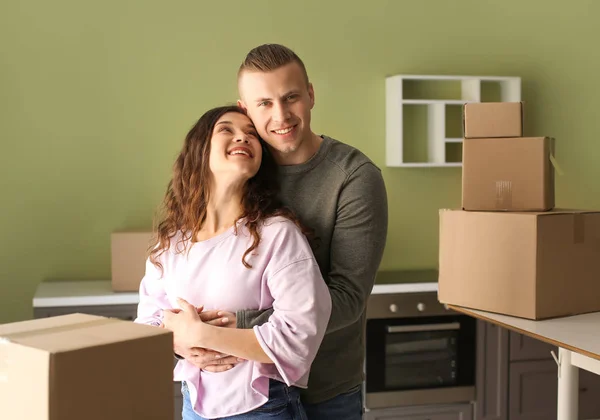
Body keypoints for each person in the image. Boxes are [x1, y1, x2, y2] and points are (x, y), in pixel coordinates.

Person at [186, 44, 389, 419]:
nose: (280, 115)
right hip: (245, 390)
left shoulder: (355, 178)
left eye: (290, 97)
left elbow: (347, 298)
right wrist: (183, 335)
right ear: (245, 107)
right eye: (263, 103)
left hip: (325, 389)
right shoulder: (240, 166)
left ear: (310, 94)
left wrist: (236, 329)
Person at [134, 105, 332, 420]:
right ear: (200, 149)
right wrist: (179, 345)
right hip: (193, 407)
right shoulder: (170, 241)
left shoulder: (277, 233)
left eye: (252, 134)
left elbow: (300, 334)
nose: (243, 137)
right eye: (227, 129)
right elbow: (147, 324)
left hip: (263, 408)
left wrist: (201, 335)